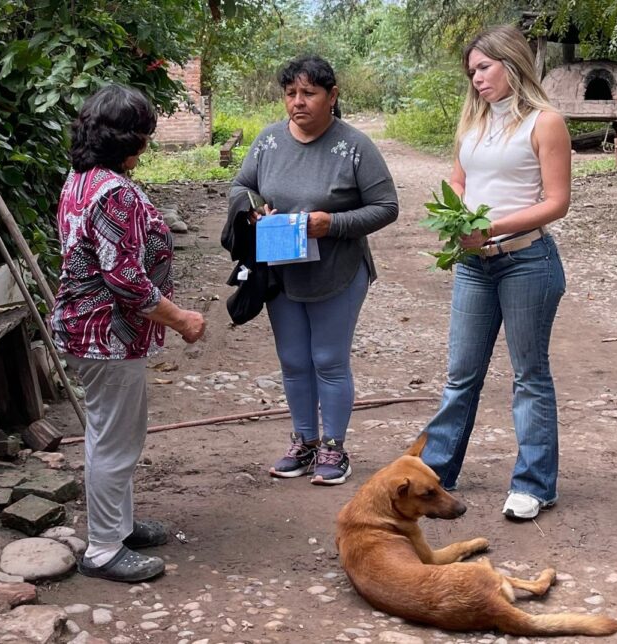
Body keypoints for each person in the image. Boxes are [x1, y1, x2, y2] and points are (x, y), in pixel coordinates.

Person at [51, 84, 206, 583]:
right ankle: (102, 549)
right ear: (133, 139)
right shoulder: (114, 191)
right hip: (107, 335)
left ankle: (116, 525)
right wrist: (181, 319)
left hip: (91, 329)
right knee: (114, 440)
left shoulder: (81, 180)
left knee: (114, 433)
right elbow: (126, 280)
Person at [420, 25, 571, 521]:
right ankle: (436, 473)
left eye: (484, 67)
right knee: (461, 374)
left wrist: (491, 228)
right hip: (474, 264)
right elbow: (459, 180)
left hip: (527, 261)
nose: (477, 79)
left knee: (529, 375)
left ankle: (534, 483)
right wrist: (457, 214)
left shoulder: (544, 122)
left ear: (512, 62)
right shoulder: (473, 122)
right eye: (472, 72)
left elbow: (557, 203)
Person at [227, 55, 399, 486]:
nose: (298, 103)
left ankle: (333, 447)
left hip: (337, 270)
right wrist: (250, 211)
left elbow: (387, 207)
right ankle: (303, 441)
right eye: (290, 94)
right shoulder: (267, 142)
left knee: (328, 359)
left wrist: (333, 224)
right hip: (281, 268)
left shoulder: (355, 146)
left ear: (332, 95)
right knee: (292, 360)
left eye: (309, 93)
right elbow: (241, 185)